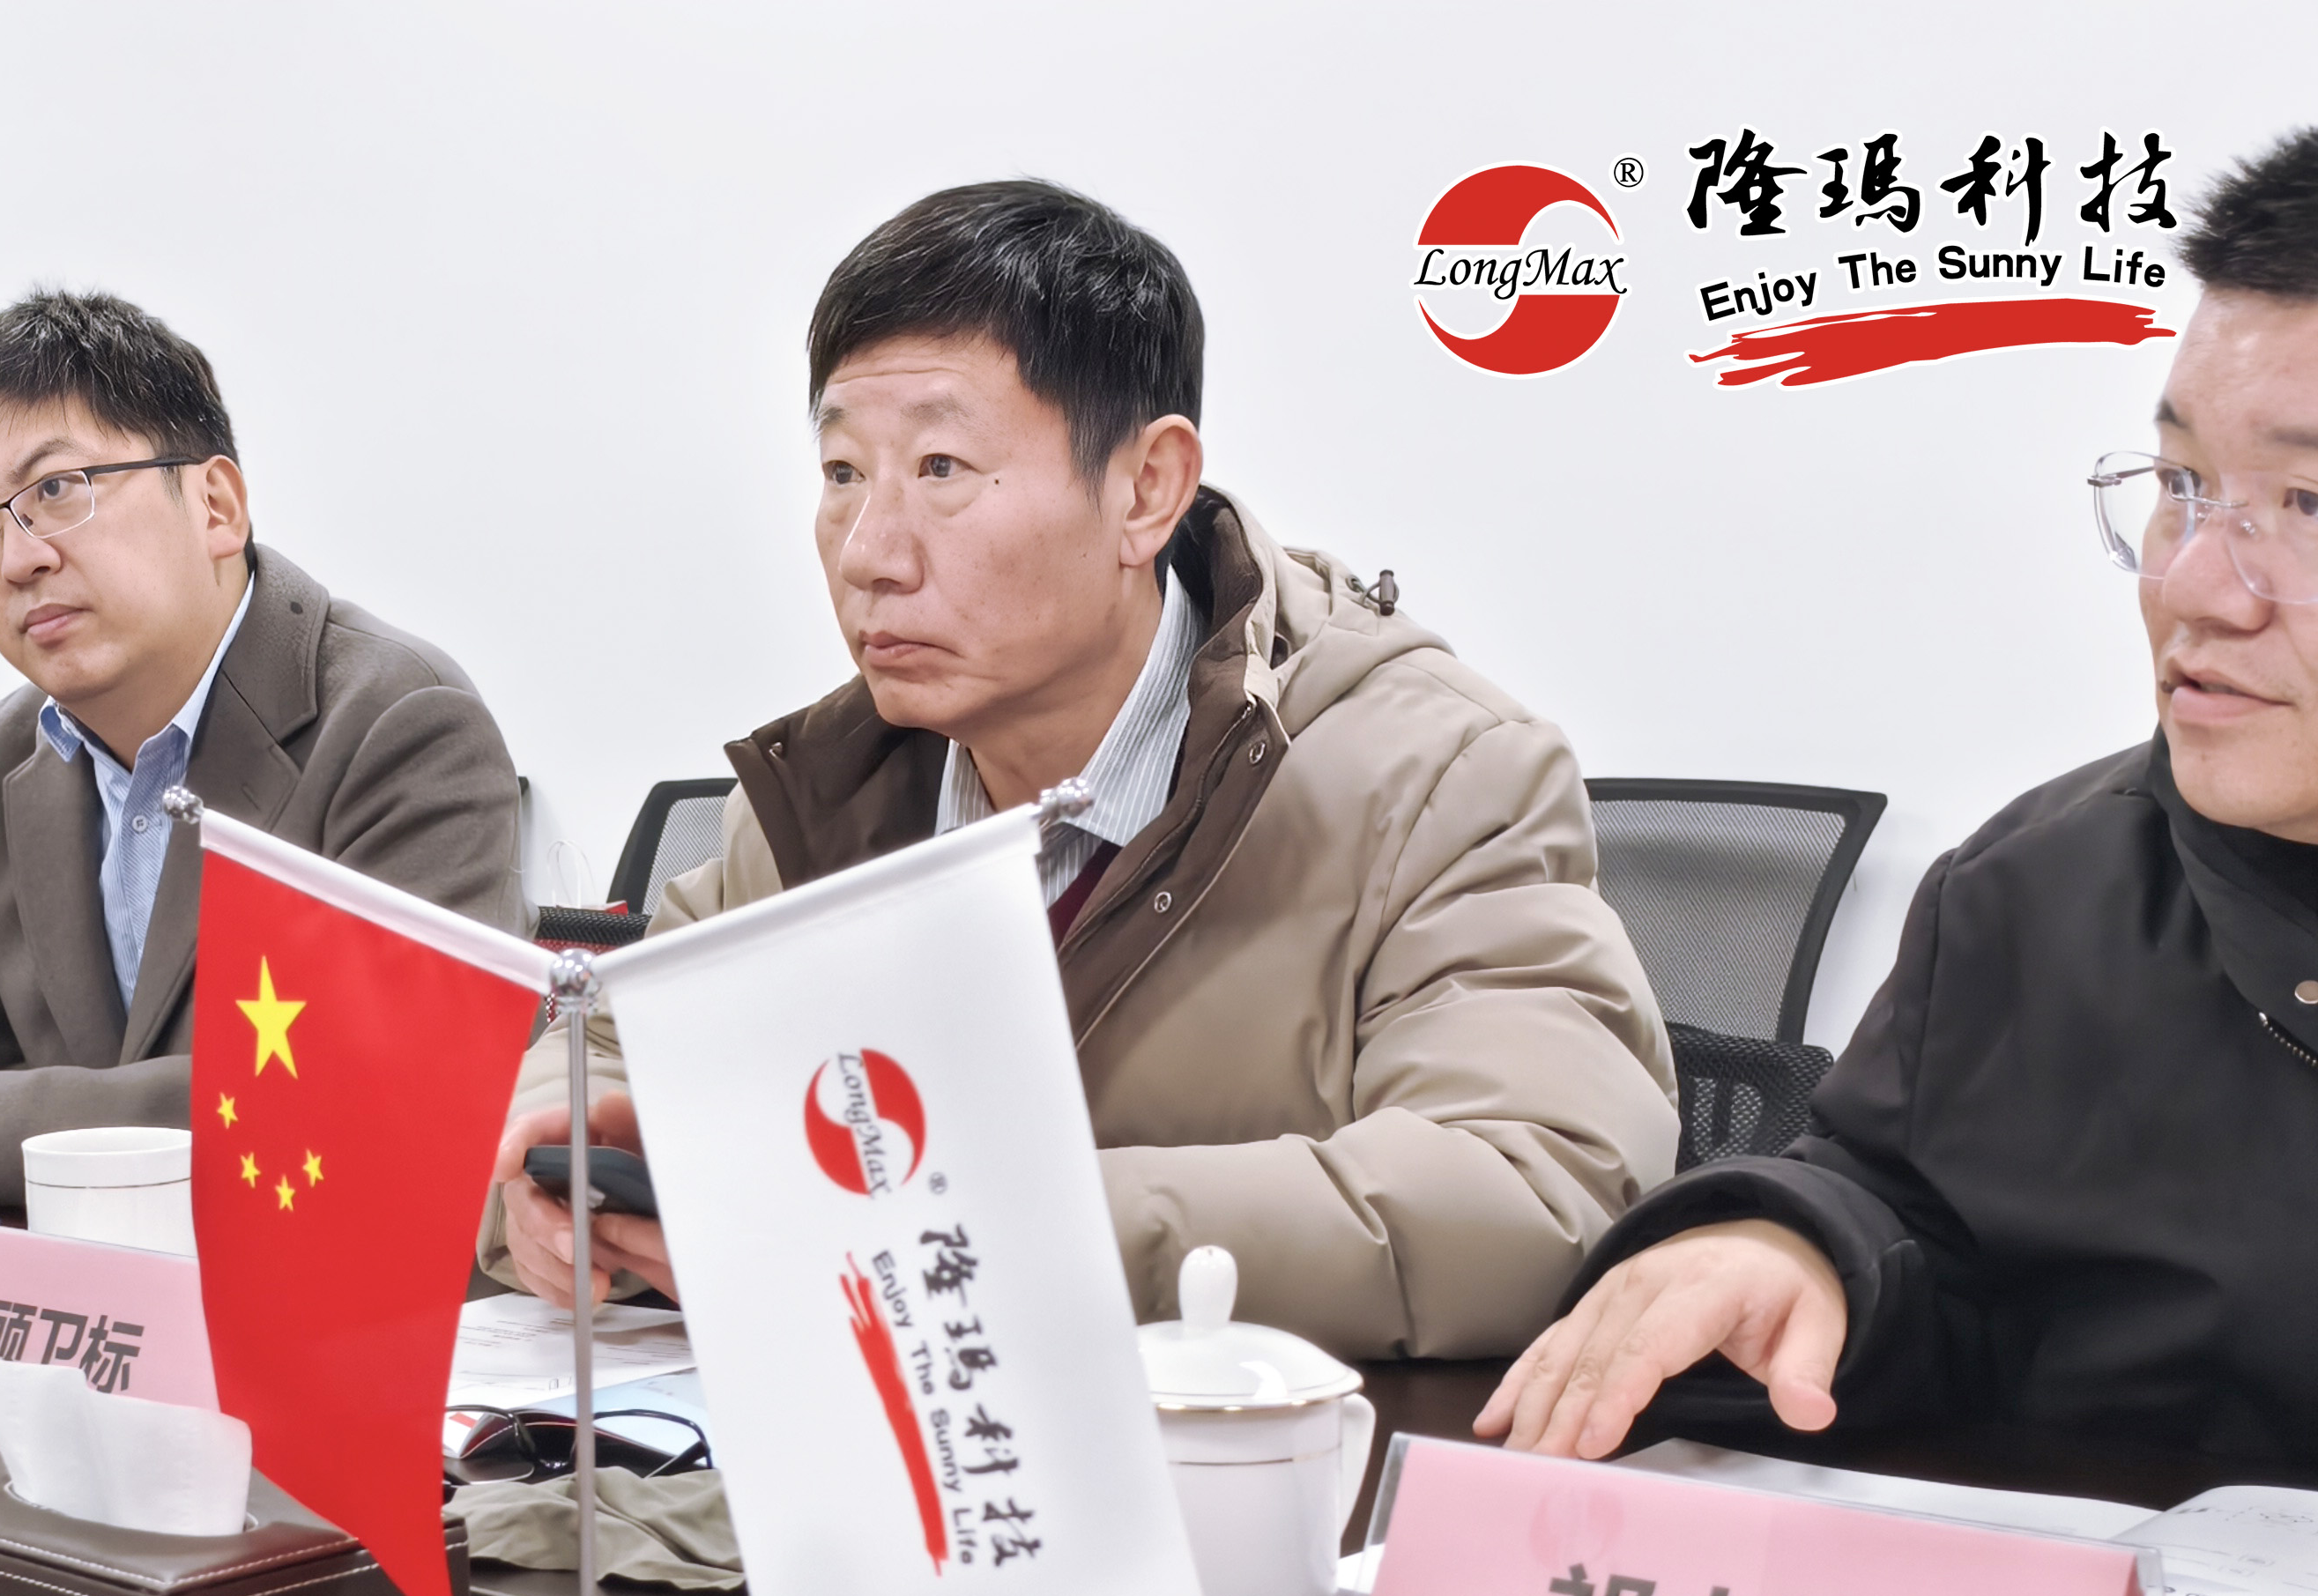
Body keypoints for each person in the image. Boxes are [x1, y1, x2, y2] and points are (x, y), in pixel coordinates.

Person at [485, 181, 1675, 1363]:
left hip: (1263, 1468)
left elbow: (1534, 1185)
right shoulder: (832, 794)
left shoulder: (1435, 779)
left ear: (1145, 490)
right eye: (843, 473)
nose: (869, 552)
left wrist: (980, 1232)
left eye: (942, 467)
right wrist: (545, 1173)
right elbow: (606, 1051)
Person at [1482, 129, 2318, 1471]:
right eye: (2182, 488)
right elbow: (1908, 1225)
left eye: (2308, 504)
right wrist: (1795, 1252)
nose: (2193, 586)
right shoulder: (2036, 891)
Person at [0, 291, 522, 1214]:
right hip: (83, 1278)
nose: (17, 560)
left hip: (325, 1272)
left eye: (56, 492)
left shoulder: (398, 721)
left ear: (215, 506)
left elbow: (381, 1086)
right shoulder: (17, 746)